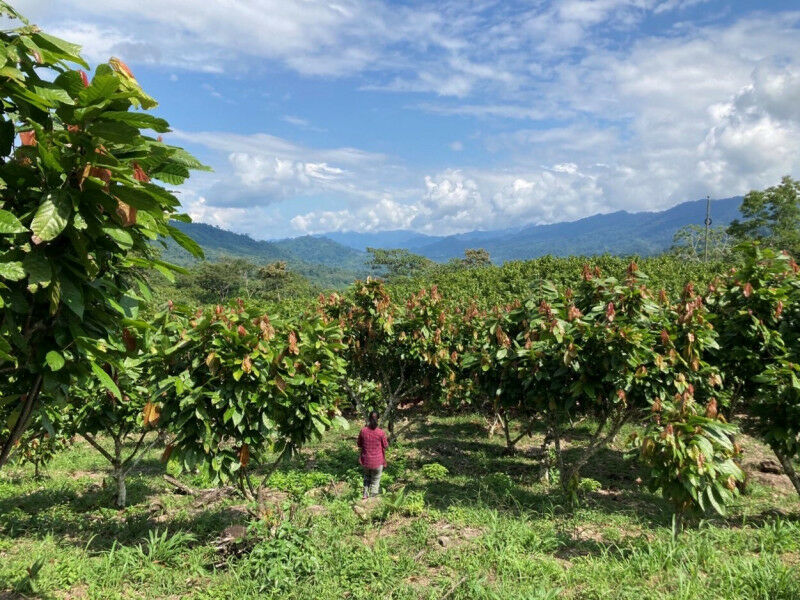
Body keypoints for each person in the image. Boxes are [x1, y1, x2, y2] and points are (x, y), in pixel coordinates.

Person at [357, 411, 388, 499]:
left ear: (369, 418)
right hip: (378, 462)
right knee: (376, 480)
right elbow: (385, 445)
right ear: (378, 419)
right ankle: (373, 498)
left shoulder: (363, 431)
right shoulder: (381, 432)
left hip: (366, 461)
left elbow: (359, 444)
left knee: (367, 477)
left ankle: (365, 494)